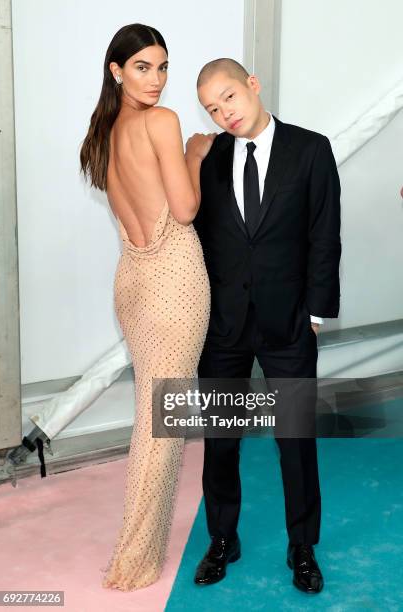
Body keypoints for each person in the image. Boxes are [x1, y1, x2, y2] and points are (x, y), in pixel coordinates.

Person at [192, 58, 341, 594]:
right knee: (220, 441)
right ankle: (221, 539)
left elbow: (325, 236)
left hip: (290, 325)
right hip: (225, 328)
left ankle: (302, 547)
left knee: (295, 440)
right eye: (211, 107)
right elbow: (205, 242)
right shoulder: (210, 161)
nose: (223, 112)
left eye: (228, 97)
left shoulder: (311, 149)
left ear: (252, 85)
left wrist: (317, 314)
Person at [80, 24, 212, 591]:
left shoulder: (103, 132)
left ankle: (139, 548)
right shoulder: (163, 123)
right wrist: (197, 155)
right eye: (142, 68)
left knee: (154, 418)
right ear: (117, 71)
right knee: (162, 425)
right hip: (174, 282)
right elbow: (184, 210)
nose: (155, 80)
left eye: (162, 68)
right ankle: (134, 560)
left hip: (131, 283)